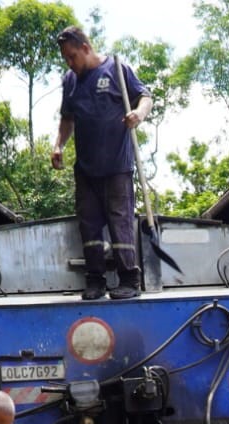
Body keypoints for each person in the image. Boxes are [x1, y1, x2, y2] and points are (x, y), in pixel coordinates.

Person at [51, 25, 153, 301]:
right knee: (90, 227)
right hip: (86, 170)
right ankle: (95, 281)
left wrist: (138, 115)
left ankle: (129, 280)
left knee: (121, 224)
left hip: (117, 167)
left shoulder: (116, 69)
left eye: (72, 56)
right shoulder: (70, 80)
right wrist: (58, 145)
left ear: (85, 48)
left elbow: (145, 97)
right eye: (66, 59)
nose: (70, 63)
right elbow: (67, 119)